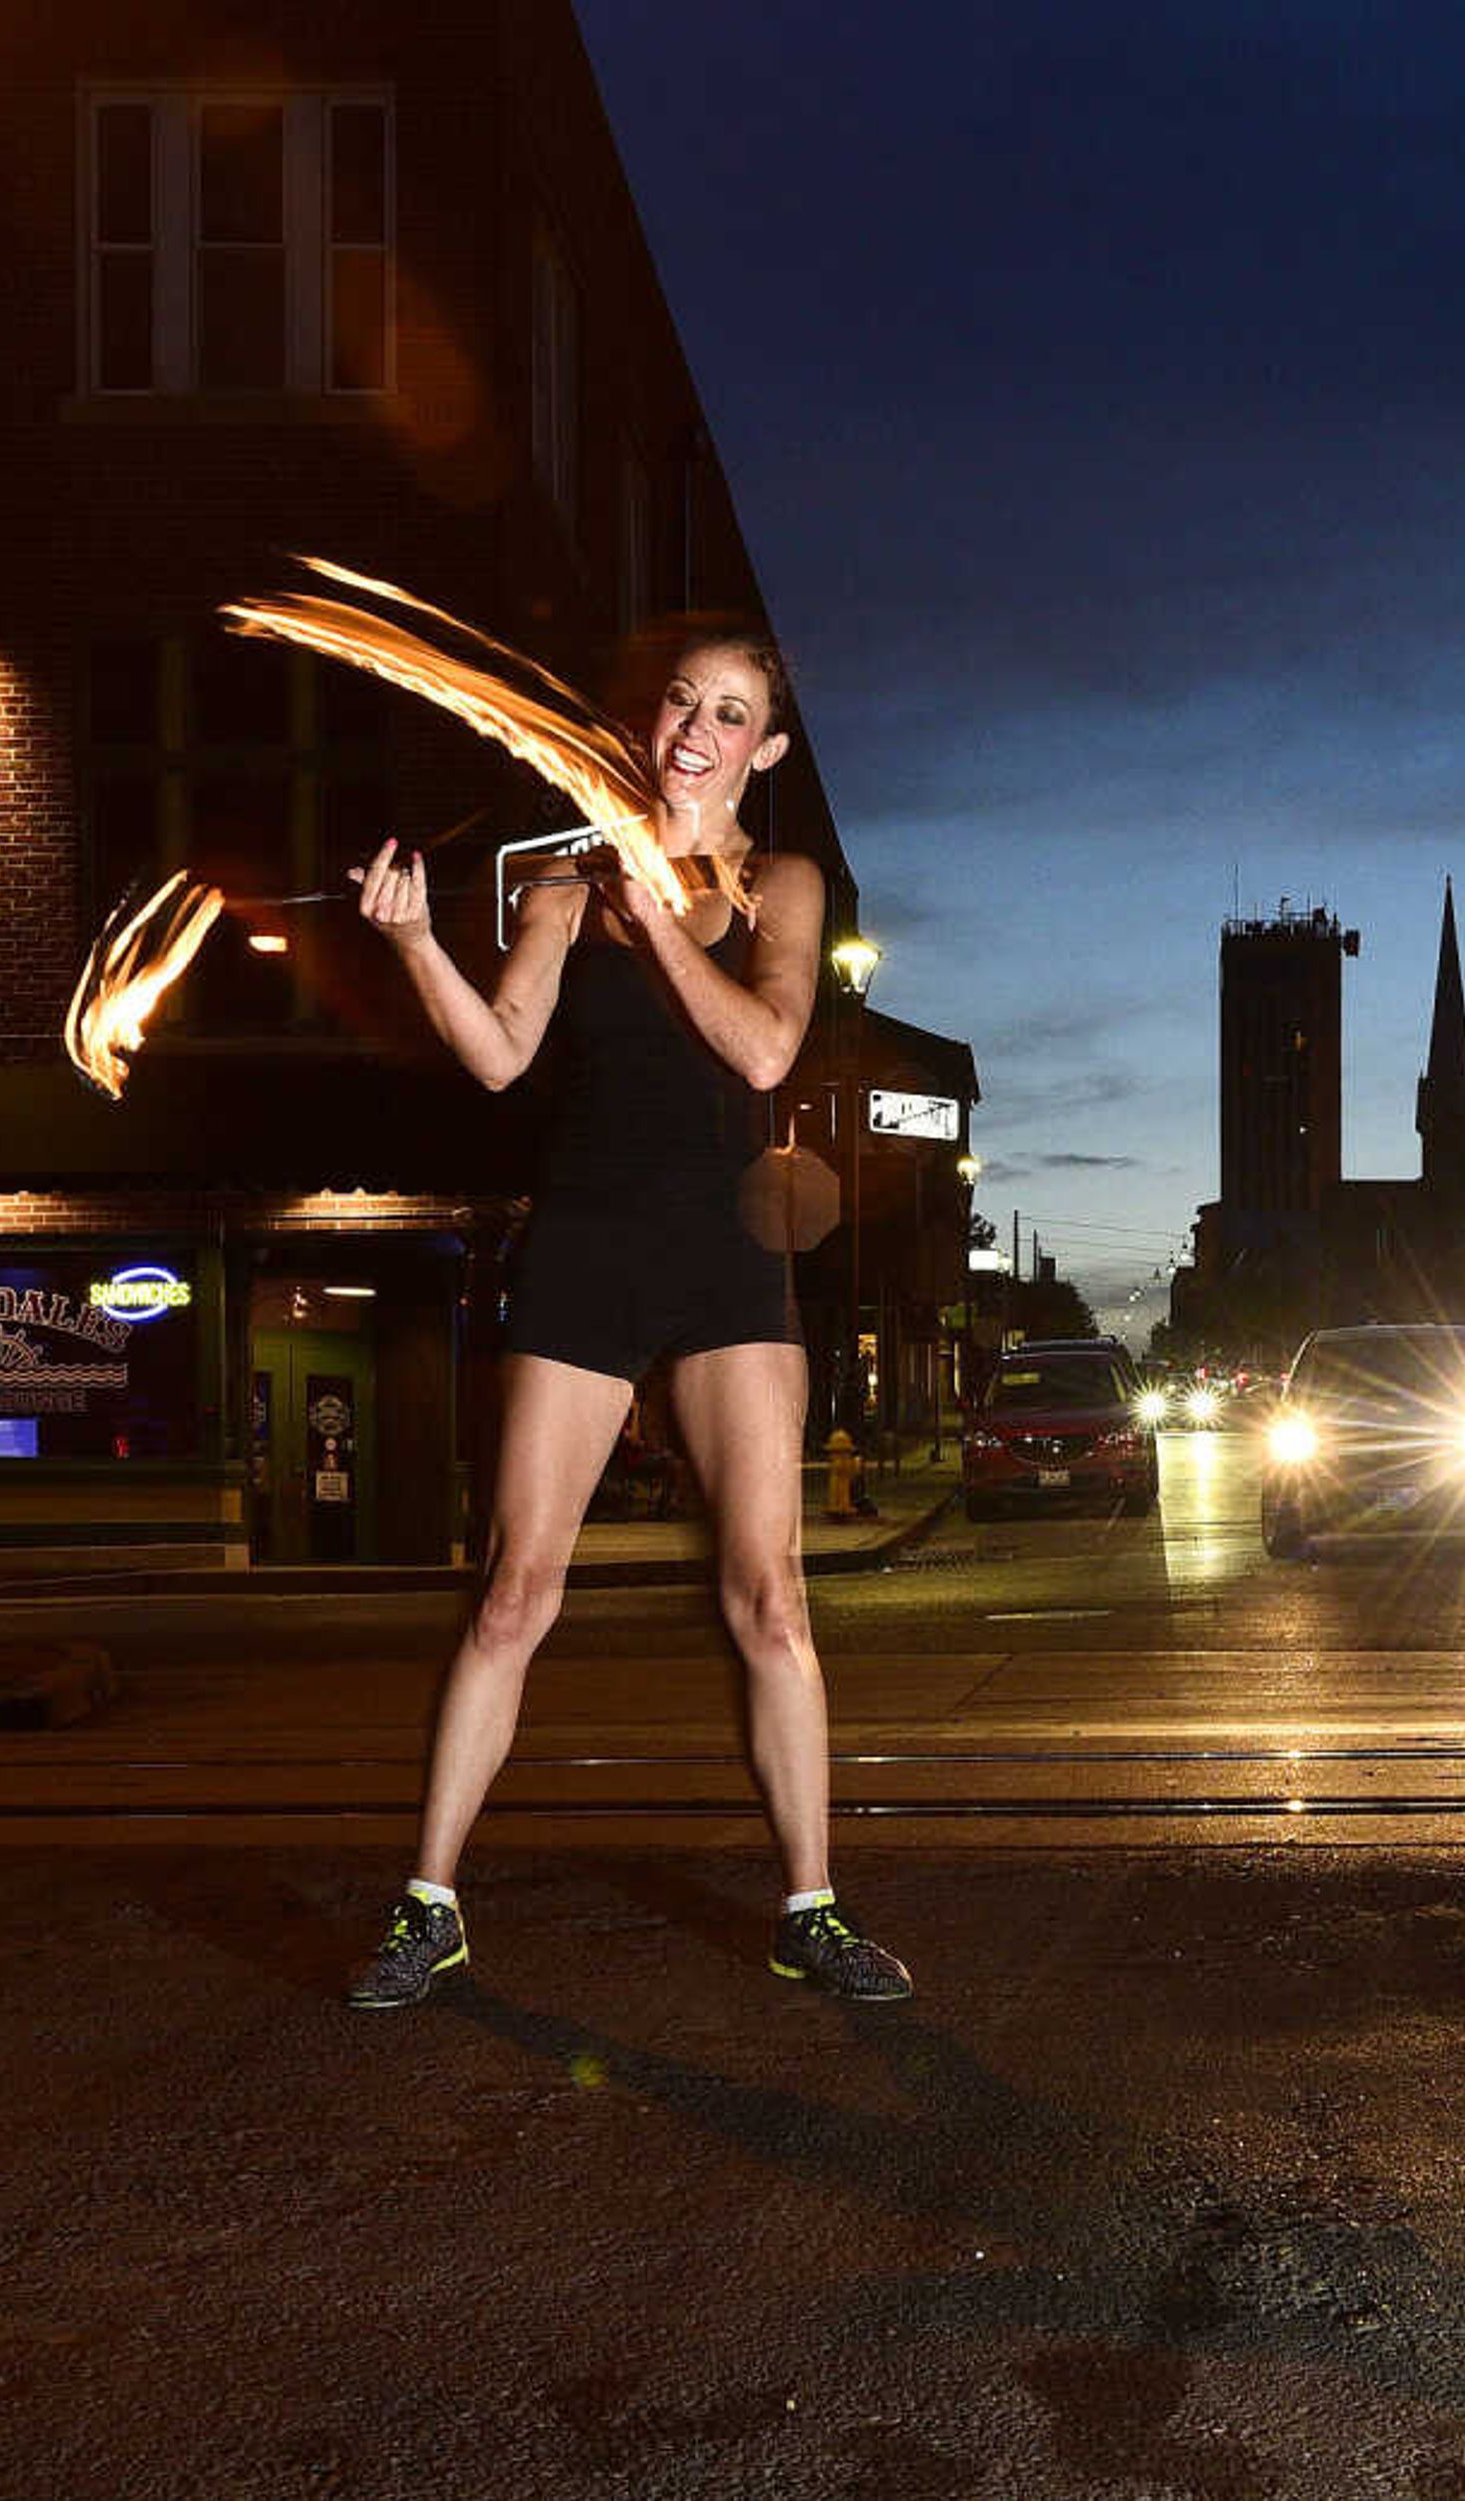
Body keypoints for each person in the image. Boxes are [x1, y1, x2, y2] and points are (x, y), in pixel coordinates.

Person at [340, 615, 910, 2008]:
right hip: (585, 1244)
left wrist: (661, 916)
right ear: (651, 720)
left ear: (761, 749)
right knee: (513, 1593)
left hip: (726, 1256)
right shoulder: (557, 887)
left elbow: (768, 1046)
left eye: (729, 715)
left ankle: (812, 1907)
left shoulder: (781, 884)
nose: (694, 733)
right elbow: (496, 1060)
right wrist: (417, 944)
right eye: (680, 704)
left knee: (769, 1598)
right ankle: (430, 1903)